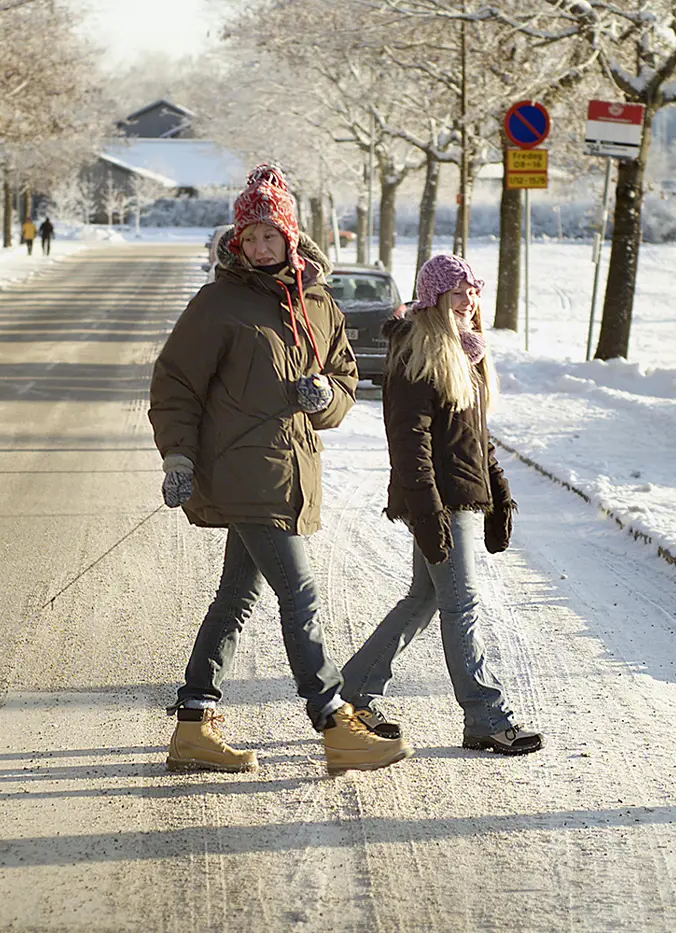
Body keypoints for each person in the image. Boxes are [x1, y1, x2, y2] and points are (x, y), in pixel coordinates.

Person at [150, 163, 414, 775]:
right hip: (242, 473)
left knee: (237, 598)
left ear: (291, 236)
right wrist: (179, 455)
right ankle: (332, 721)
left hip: (292, 469)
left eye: (270, 234)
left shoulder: (319, 303)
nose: (260, 246)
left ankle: (193, 724)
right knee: (300, 596)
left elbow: (347, 379)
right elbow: (175, 385)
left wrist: (328, 399)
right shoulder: (219, 303)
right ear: (236, 244)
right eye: (250, 238)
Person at [340, 254, 543, 756]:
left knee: (424, 599)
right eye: (458, 293)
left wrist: (497, 491)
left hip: (460, 497)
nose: (469, 301)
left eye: (473, 291)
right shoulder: (417, 354)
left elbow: (475, 437)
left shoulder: (466, 353)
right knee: (462, 605)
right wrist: (429, 512)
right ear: (433, 300)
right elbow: (410, 442)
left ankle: (355, 689)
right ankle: (486, 717)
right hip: (441, 501)